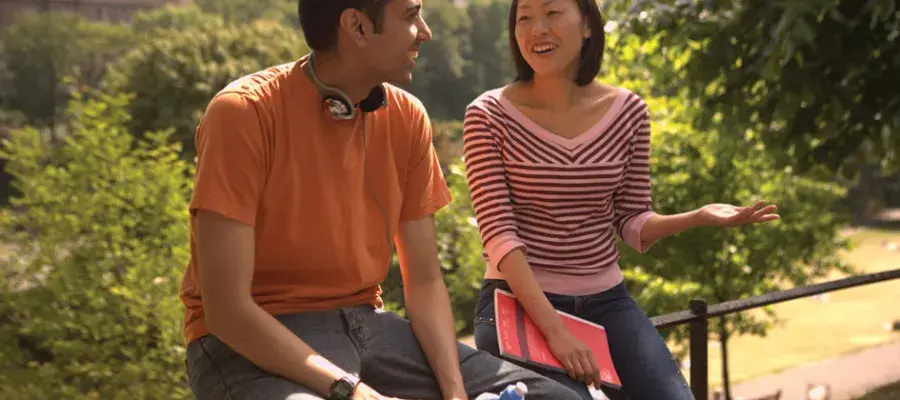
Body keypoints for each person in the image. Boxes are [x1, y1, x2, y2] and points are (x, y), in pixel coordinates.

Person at [179, 1, 586, 399]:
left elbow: (424, 282)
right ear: (356, 26)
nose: (425, 32)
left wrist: (455, 391)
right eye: (411, 16)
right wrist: (351, 391)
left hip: (368, 327)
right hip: (253, 340)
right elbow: (227, 311)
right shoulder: (242, 113)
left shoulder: (407, 116)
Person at [461, 0, 781, 399]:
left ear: (589, 26)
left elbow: (632, 219)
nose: (536, 29)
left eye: (552, 13)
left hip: (607, 303)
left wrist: (697, 216)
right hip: (517, 305)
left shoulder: (628, 111)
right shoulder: (488, 115)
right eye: (524, 17)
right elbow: (498, 235)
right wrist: (556, 332)